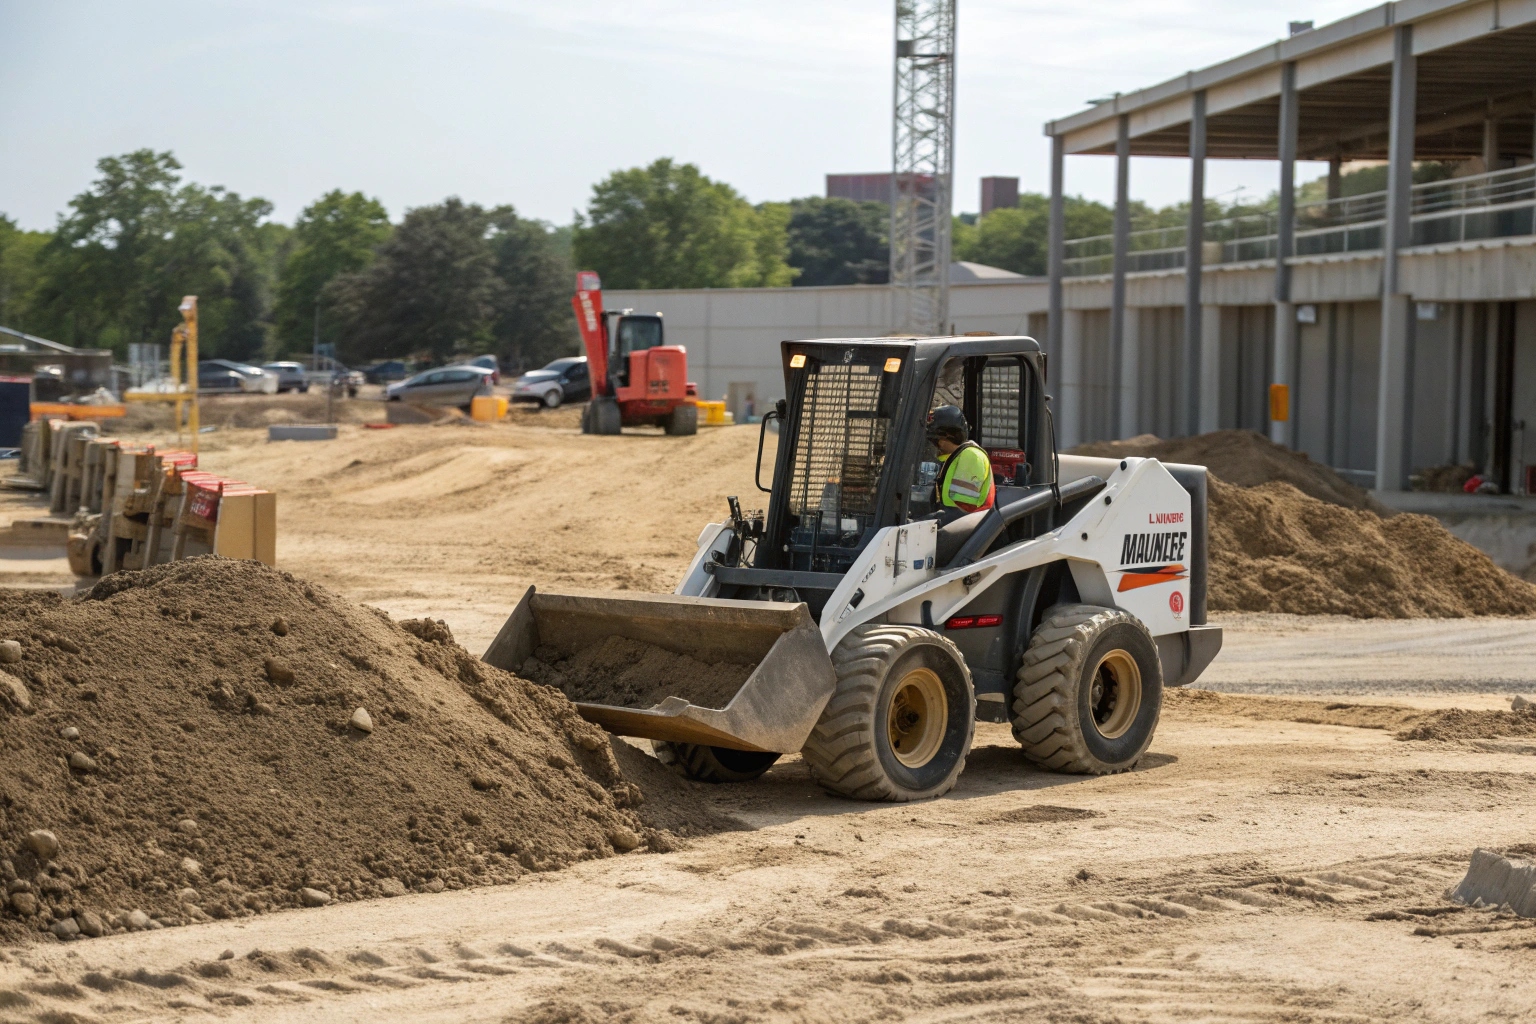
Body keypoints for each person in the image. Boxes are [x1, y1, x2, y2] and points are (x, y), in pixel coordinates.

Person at [926, 405, 994, 525]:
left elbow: (962, 510)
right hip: (949, 521)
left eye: (934, 440)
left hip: (965, 528)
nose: (935, 445)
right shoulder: (952, 458)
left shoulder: (970, 456)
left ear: (945, 439)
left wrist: (923, 522)